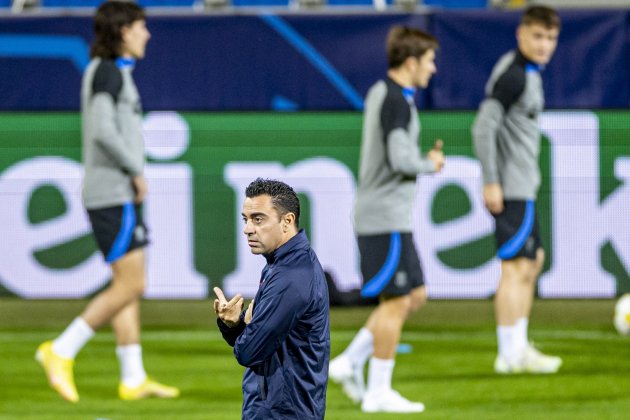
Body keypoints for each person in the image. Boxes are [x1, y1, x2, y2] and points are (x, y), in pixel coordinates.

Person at [35, 1, 179, 403]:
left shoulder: (112, 72)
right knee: (134, 283)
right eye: (141, 27)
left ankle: (132, 377)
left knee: (125, 286)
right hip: (113, 193)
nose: (147, 34)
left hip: (115, 192)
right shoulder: (107, 73)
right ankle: (61, 350)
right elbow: (101, 130)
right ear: (122, 32)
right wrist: (136, 169)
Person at [329, 26, 445, 414]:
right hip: (384, 217)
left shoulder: (387, 93)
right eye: (429, 61)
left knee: (415, 295)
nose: (433, 69)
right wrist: (429, 163)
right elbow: (400, 159)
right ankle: (378, 391)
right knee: (395, 303)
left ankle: (348, 362)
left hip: (388, 215)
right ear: (410, 62)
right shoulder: (396, 100)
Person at [472, 5, 562, 374]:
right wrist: (492, 180)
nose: (545, 45)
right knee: (516, 267)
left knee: (533, 260)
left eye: (551, 38)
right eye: (538, 36)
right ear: (521, 34)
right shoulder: (513, 77)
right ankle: (509, 353)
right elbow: (483, 127)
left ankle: (518, 345)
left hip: (522, 185)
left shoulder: (527, 73)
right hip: (509, 186)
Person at [214, 178, 330, 420]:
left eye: (258, 219)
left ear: (287, 221)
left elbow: (248, 352)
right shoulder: (283, 264)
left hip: (283, 411)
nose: (247, 228)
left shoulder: (290, 277)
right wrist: (235, 324)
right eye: (245, 220)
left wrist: (245, 329)